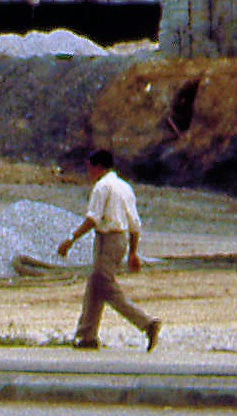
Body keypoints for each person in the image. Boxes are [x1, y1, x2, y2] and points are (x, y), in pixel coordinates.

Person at [55, 149, 159, 351]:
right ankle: (87, 336)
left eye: (89, 168)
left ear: (98, 167)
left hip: (107, 241)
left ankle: (147, 324)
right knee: (95, 285)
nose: (88, 173)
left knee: (105, 285)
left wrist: (71, 239)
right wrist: (133, 252)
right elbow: (135, 224)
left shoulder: (102, 187)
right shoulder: (124, 187)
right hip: (120, 240)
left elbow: (93, 219)